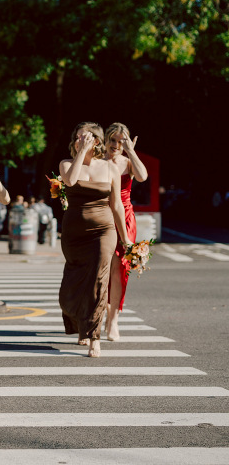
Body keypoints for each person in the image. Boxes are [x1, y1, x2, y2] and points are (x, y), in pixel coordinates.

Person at [58, 122, 132, 358]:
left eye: (86, 137)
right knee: (72, 289)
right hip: (74, 234)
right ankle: (81, 322)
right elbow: (69, 181)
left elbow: (117, 205)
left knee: (100, 281)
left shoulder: (110, 168)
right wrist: (81, 152)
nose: (81, 140)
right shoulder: (67, 164)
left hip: (103, 230)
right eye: (78, 137)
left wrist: (126, 238)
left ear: (97, 141)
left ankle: (94, 337)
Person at [104, 122, 148, 341]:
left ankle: (113, 319)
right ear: (105, 139)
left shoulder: (128, 162)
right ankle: (98, 312)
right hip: (102, 214)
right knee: (99, 269)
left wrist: (131, 151)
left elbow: (143, 177)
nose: (116, 145)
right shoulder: (97, 161)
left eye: (121, 141)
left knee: (119, 268)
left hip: (125, 216)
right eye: (112, 139)